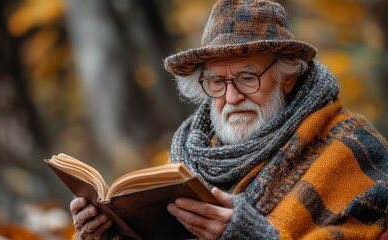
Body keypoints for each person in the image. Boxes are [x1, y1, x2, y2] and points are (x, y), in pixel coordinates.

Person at [70, 0, 388, 239]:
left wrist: (253, 235)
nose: (232, 97)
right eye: (217, 83)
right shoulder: (189, 157)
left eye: (248, 77)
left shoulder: (354, 148)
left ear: (287, 78)